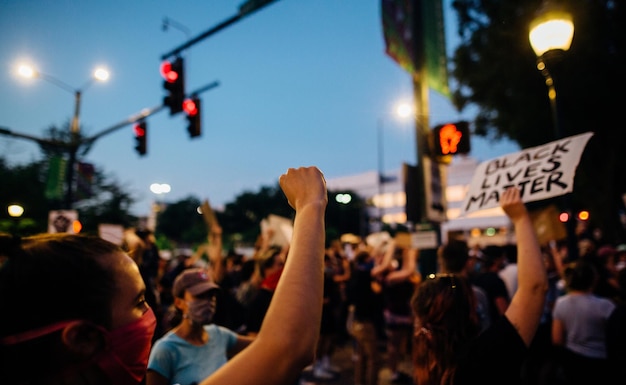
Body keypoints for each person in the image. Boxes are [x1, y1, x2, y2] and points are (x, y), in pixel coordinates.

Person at [0, 165, 328, 385]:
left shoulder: (220, 336)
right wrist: (310, 205)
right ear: (81, 338)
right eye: (138, 302)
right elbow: (287, 348)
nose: (149, 316)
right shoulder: (166, 352)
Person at [411, 187, 548, 385]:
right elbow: (534, 287)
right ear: (471, 311)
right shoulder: (488, 354)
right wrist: (520, 218)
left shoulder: (427, 364)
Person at [146, 268, 255, 385]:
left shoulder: (220, 336)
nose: (208, 302)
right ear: (179, 302)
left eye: (211, 296)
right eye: (200, 296)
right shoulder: (165, 350)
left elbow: (262, 346)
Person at [551, 259, 616, 385]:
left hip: (572, 360)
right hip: (601, 361)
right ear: (593, 279)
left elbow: (557, 340)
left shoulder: (560, 303)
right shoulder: (606, 305)